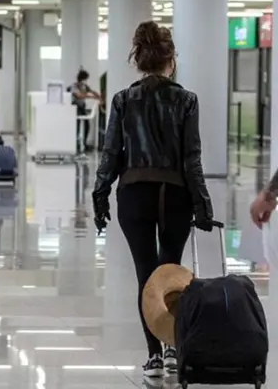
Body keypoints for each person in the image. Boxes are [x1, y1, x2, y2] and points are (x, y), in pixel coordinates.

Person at [92, 21, 214, 379]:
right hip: (175, 194)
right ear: (171, 59)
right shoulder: (187, 100)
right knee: (171, 272)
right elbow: (191, 158)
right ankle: (174, 348)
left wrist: (100, 193)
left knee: (146, 276)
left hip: (134, 194)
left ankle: (154, 357)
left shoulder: (123, 100)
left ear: (138, 59)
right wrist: (202, 203)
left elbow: (111, 153)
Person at [71, 69, 101, 153]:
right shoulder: (75, 86)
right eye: (85, 78)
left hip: (82, 107)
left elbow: (92, 91)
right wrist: (91, 96)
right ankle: (76, 145)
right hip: (76, 107)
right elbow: (79, 95)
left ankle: (84, 143)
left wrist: (98, 96)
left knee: (87, 125)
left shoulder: (84, 86)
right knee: (76, 127)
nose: (86, 80)